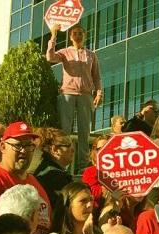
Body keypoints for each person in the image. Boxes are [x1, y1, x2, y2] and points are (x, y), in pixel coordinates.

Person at [47, 24, 102, 169]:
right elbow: (50, 57)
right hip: (68, 94)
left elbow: (96, 76)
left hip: (86, 95)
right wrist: (53, 36)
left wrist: (99, 92)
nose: (77, 36)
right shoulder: (65, 52)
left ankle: (83, 165)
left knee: (85, 131)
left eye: (80, 33)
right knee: (65, 130)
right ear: (71, 37)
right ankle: (62, 163)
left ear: (84, 36)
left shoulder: (91, 55)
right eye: (75, 33)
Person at [33, 127, 74, 210]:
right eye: (68, 145)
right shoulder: (55, 177)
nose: (72, 149)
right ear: (55, 150)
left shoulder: (44, 170)